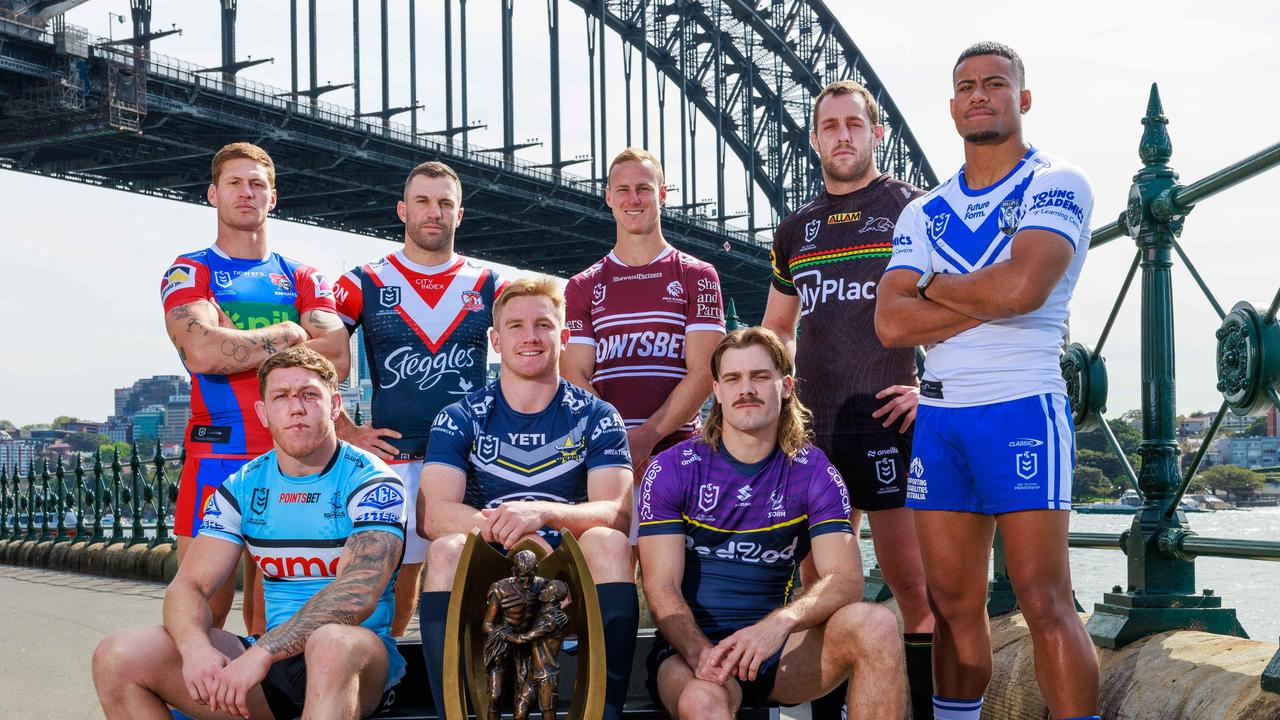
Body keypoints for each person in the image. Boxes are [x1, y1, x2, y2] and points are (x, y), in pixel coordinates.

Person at [875, 41, 1100, 720]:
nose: (979, 95)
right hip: (941, 423)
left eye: (995, 84)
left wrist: (934, 287)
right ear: (951, 107)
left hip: (1022, 407)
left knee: (1042, 599)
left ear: (1021, 99)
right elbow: (889, 323)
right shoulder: (924, 210)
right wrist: (984, 295)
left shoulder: (1058, 183)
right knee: (950, 607)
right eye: (966, 86)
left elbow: (1024, 288)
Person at [92, 346, 407, 720]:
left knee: (331, 642)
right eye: (281, 397)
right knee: (118, 656)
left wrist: (262, 653)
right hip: (269, 667)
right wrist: (196, 650)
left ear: (335, 405)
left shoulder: (372, 481)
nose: (296, 408)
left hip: (354, 660)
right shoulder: (242, 486)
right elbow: (189, 586)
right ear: (263, 413)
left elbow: (358, 592)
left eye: (309, 395)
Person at [761, 78, 934, 718]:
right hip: (818, 432)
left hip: (891, 423)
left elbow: (957, 304)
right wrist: (779, 397)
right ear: (814, 139)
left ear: (876, 132)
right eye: (829, 126)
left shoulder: (915, 209)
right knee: (823, 591)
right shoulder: (797, 228)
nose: (842, 136)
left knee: (915, 593)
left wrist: (931, 390)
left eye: (853, 125)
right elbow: (778, 327)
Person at [638, 327, 905, 720]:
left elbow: (846, 580)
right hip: (690, 652)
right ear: (717, 390)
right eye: (733, 379)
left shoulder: (813, 471)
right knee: (702, 700)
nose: (746, 389)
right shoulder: (673, 469)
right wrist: (701, 654)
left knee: (876, 624)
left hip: (777, 651)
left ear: (785, 386)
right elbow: (660, 587)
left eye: (760, 376)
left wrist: (777, 626)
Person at [417, 277, 638, 720]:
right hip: (493, 564)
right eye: (515, 326)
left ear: (565, 337)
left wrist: (541, 516)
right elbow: (435, 514)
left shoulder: (596, 414)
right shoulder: (460, 415)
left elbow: (616, 512)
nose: (530, 337)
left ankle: (606, 712)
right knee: (444, 550)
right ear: (496, 340)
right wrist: (512, 531)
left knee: (610, 544)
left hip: (566, 565)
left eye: (543, 324)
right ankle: (454, 713)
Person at [161, 142, 349, 634]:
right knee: (201, 616)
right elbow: (200, 351)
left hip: (290, 462)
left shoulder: (304, 275)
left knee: (278, 623)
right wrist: (288, 334)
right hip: (215, 459)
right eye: (235, 183)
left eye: (257, 184)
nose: (247, 193)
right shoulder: (190, 269)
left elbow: (338, 357)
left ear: (274, 197)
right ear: (212, 194)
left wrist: (235, 341)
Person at [332, 160, 506, 636]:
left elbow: (540, 347)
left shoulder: (491, 285)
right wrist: (345, 430)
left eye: (445, 203)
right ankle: (388, 675)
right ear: (402, 210)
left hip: (475, 461)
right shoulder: (361, 280)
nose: (435, 212)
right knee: (391, 586)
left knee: (478, 583)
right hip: (397, 460)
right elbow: (314, 359)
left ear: (460, 214)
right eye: (424, 202)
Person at [560, 147, 725, 539]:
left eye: (644, 189)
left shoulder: (698, 275)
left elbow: (704, 372)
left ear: (663, 194)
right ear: (608, 197)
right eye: (623, 190)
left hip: (679, 453)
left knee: (669, 586)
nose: (633, 199)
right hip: (603, 458)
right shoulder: (583, 285)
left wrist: (647, 436)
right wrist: (618, 442)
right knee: (609, 577)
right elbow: (575, 373)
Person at [512, 580, 571, 720]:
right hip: (533, 673)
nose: (542, 591)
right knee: (520, 713)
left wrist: (502, 634)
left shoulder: (551, 619)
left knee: (548, 714)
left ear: (551, 598)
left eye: (547, 590)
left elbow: (524, 638)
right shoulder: (543, 610)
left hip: (546, 675)